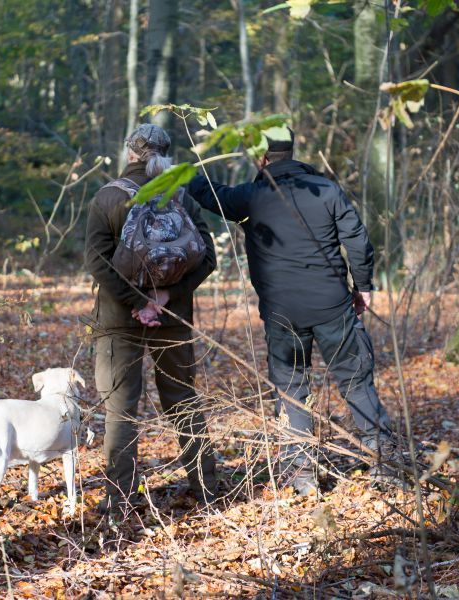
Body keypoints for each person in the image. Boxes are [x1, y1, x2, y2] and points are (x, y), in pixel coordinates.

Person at [187, 128, 395, 495]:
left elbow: (210, 194)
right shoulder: (326, 190)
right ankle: (384, 461)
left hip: (282, 313)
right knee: (354, 380)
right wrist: (362, 286)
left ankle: (301, 475)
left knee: (292, 389)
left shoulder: (251, 197)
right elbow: (358, 241)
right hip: (332, 305)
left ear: (262, 158)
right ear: (292, 152)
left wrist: (182, 173)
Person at [85, 124, 218, 512]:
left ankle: (119, 501)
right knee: (183, 400)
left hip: (118, 318)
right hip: (172, 317)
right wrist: (164, 298)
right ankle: (208, 490)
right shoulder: (181, 197)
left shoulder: (108, 196)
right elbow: (208, 258)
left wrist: (134, 302)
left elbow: (96, 261)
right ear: (166, 156)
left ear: (129, 153)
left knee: (120, 407)